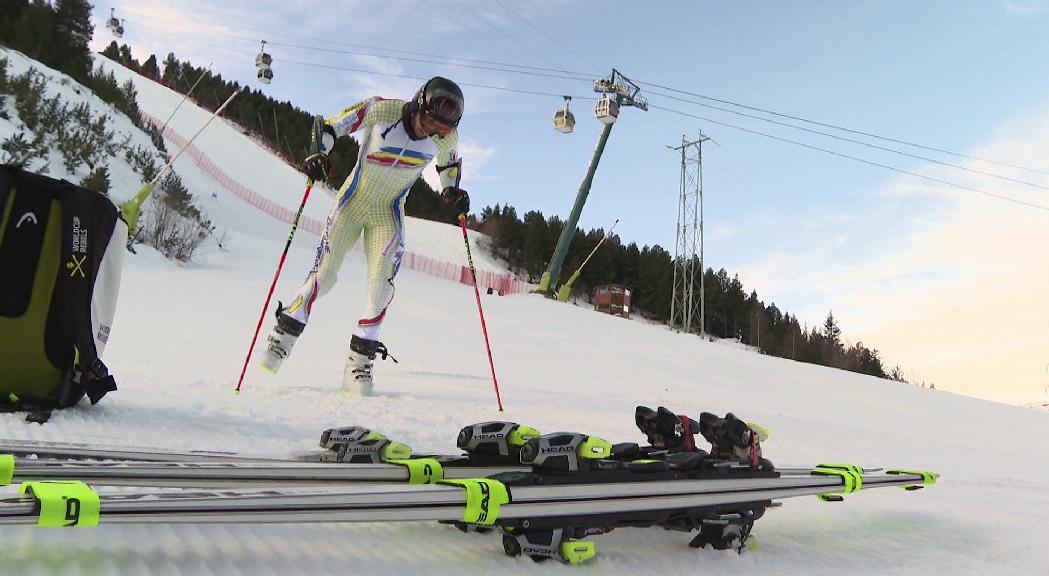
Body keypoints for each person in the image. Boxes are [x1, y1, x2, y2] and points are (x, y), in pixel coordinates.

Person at [260, 76, 470, 396]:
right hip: (352, 203)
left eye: (440, 129)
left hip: (388, 213)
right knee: (325, 276)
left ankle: (357, 368)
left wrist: (453, 192)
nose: (432, 131)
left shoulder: (446, 139)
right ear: (418, 104)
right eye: (429, 121)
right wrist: (319, 152)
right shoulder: (381, 111)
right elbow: (328, 126)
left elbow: (449, 171)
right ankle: (281, 339)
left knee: (380, 288)